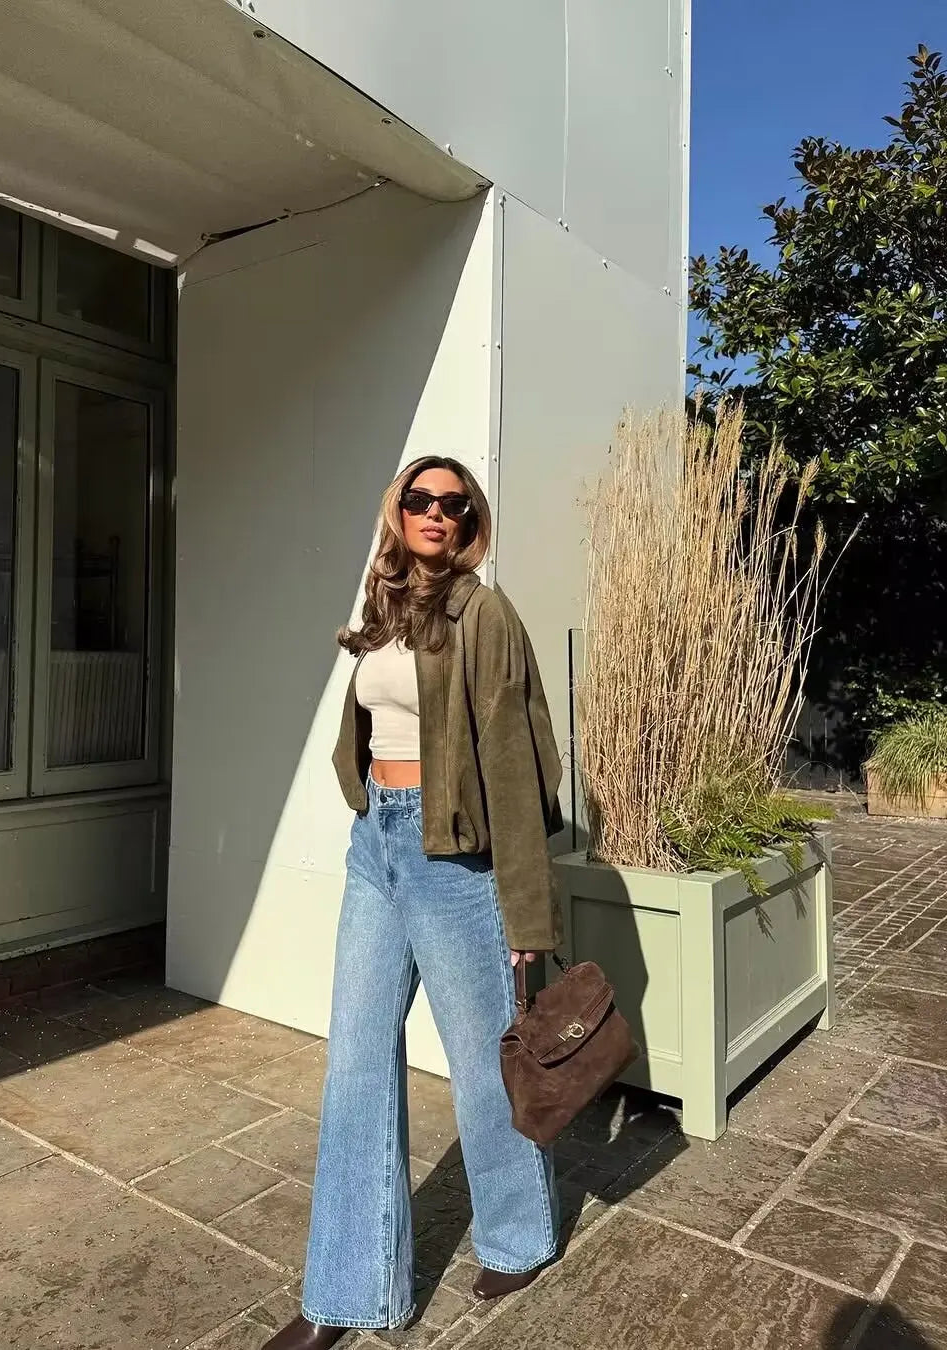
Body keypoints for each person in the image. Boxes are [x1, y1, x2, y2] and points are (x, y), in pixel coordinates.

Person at [264, 456, 565, 1350]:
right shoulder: (383, 606)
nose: (437, 513)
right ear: (396, 510)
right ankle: (347, 1293)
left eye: (454, 504)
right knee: (355, 1063)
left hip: (454, 860)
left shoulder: (483, 613)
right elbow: (364, 725)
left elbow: (514, 763)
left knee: (481, 1064)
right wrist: (365, 802)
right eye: (421, 499)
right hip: (378, 849)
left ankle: (520, 1234)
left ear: (470, 521)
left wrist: (526, 912)